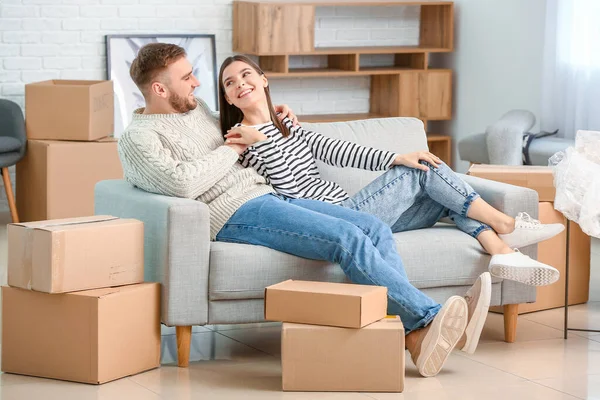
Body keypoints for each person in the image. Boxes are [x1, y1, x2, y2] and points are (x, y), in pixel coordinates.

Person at [119, 42, 485, 378]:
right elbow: (182, 183)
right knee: (345, 238)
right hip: (233, 212)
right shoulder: (139, 138)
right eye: (186, 77)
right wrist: (231, 151)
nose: (197, 83)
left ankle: (408, 337)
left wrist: (275, 114)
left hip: (266, 197)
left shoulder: (196, 111)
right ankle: (425, 319)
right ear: (160, 89)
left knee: (373, 228)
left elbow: (242, 117)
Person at [218, 55, 564, 290]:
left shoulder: (290, 124)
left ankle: (500, 250)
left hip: (354, 207)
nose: (240, 84)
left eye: (246, 74)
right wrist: (259, 140)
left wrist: (396, 156)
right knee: (425, 171)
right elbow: (287, 189)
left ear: (263, 79)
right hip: (334, 219)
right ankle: (505, 225)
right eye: (230, 83)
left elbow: (340, 150)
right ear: (229, 99)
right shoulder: (241, 139)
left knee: (443, 196)